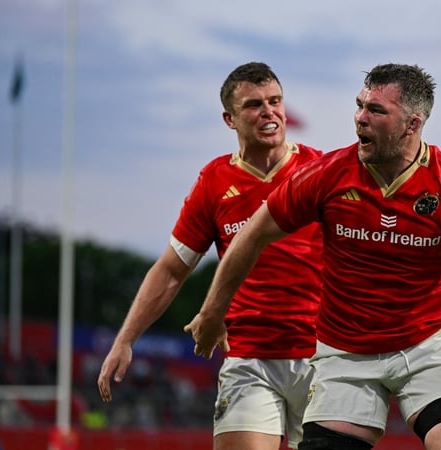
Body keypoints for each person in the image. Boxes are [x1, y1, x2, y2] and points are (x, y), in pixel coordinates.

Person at [184, 63, 441, 450]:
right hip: (345, 352)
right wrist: (214, 312)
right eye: (359, 105)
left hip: (426, 344)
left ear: (413, 124)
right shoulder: (327, 175)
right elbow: (251, 235)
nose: (359, 119)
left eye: (375, 110)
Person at [96, 62, 324, 450]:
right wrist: (125, 339)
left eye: (275, 101)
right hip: (249, 359)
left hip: (324, 358)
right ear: (229, 119)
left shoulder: (320, 170)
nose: (269, 112)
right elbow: (171, 270)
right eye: (254, 104)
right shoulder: (215, 182)